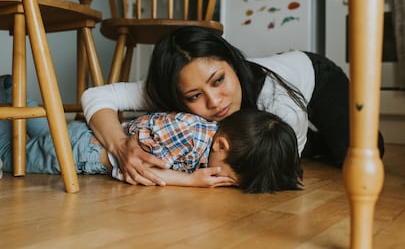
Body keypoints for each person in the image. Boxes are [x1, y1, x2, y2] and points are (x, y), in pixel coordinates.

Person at [82, 26, 385, 186]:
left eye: (218, 80)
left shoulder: (279, 104)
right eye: (193, 96)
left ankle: (317, 138)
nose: (214, 102)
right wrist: (121, 145)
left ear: (233, 64)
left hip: (316, 75)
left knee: (361, 151)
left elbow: (284, 168)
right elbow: (96, 96)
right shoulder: (175, 83)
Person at [0, 75, 302, 192]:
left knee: (49, 130)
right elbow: (141, 170)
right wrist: (190, 180)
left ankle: (12, 92)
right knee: (12, 156)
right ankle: (10, 101)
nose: (222, 184)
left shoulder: (206, 134)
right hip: (83, 153)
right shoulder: (189, 136)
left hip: (81, 137)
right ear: (221, 145)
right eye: (228, 179)